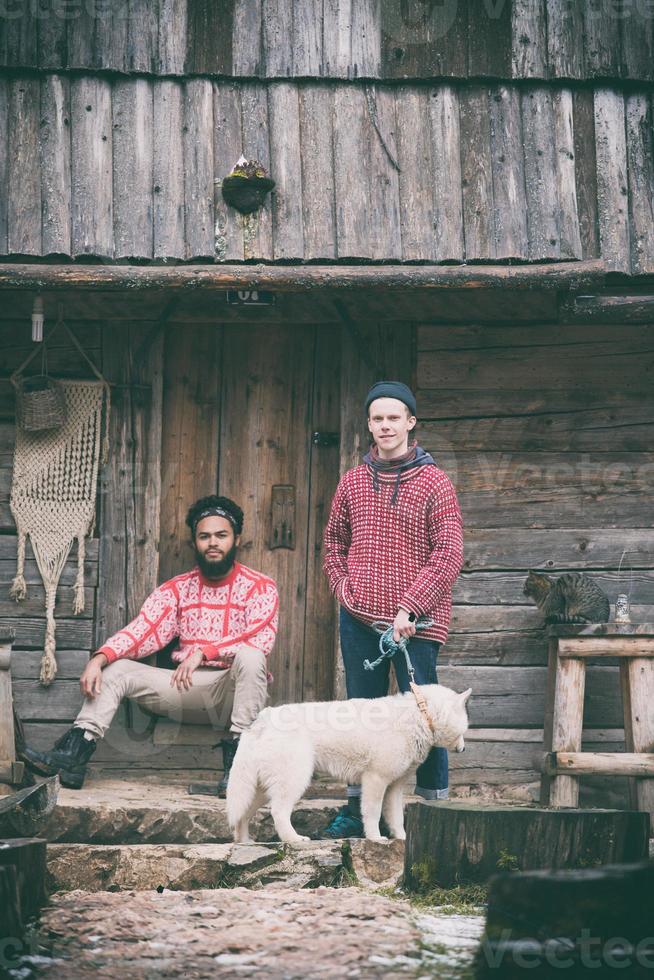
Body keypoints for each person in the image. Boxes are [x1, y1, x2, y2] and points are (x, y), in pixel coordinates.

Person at [22, 495, 279, 794]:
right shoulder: (177, 589)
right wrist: (99, 658)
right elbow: (144, 630)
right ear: (194, 541)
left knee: (252, 656)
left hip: (232, 691)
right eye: (204, 536)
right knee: (118, 669)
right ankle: (75, 753)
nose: (212, 543)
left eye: (221, 535)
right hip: (185, 689)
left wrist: (204, 651)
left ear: (236, 539)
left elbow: (260, 638)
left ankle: (239, 769)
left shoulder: (261, 586)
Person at [322, 381, 464, 837]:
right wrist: (343, 589)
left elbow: (449, 552)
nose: (386, 425)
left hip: (417, 624)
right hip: (360, 619)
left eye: (394, 417)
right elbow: (333, 543)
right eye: (377, 418)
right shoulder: (353, 481)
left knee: (425, 716)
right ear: (369, 424)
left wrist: (411, 607)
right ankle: (356, 810)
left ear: (410, 422)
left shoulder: (433, 481)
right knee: (360, 715)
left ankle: (430, 811)